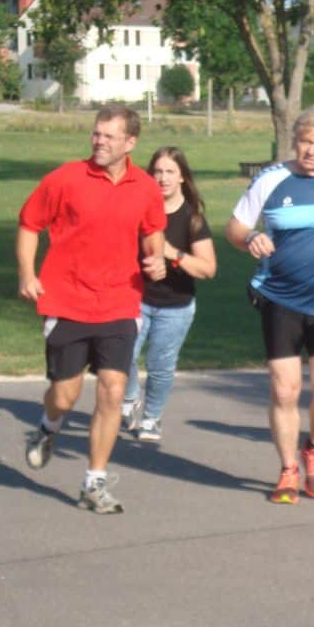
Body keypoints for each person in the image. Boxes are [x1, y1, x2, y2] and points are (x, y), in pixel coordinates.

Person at [19, 105, 167, 514]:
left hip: (121, 300)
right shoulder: (66, 178)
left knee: (113, 390)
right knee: (65, 397)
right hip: (67, 300)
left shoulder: (146, 187)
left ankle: (94, 483)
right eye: (96, 134)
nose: (99, 141)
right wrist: (27, 274)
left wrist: (156, 261)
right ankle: (48, 428)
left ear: (130, 143)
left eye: (109, 136)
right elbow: (30, 223)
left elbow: (153, 232)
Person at [225, 104, 314, 504]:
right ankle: (289, 469)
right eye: (304, 141)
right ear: (294, 142)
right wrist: (250, 238)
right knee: (286, 390)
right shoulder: (271, 180)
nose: (310, 150)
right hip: (279, 298)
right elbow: (235, 229)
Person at [121, 147, 217, 442]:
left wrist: (172, 254)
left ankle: (151, 418)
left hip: (175, 305)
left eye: (169, 172)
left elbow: (208, 269)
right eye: (157, 172)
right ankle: (129, 397)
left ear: (182, 179)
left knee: (160, 366)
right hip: (135, 298)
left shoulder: (192, 219)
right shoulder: (136, 210)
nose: (162, 178)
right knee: (121, 354)